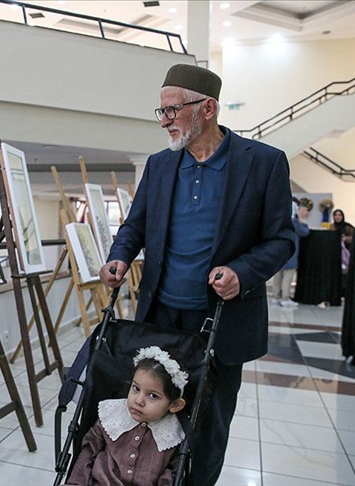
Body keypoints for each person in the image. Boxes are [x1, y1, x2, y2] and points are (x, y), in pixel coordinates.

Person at [99, 63, 295, 485]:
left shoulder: (263, 163)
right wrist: (119, 256)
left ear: (208, 108)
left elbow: (282, 240)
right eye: (161, 111)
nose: (165, 120)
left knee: (207, 428)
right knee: (154, 423)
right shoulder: (160, 166)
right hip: (161, 320)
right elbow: (134, 226)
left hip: (223, 325)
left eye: (173, 110)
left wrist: (242, 272)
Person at [67, 346, 188, 486]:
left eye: (153, 396)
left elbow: (173, 472)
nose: (138, 401)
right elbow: (89, 450)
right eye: (136, 388)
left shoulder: (173, 432)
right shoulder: (111, 414)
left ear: (174, 405)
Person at [271, 199, 311, 308]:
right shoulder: (294, 222)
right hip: (290, 254)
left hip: (279, 253)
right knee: (288, 277)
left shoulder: (280, 220)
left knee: (278, 276)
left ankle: (275, 296)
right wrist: (303, 221)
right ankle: (285, 297)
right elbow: (305, 232)